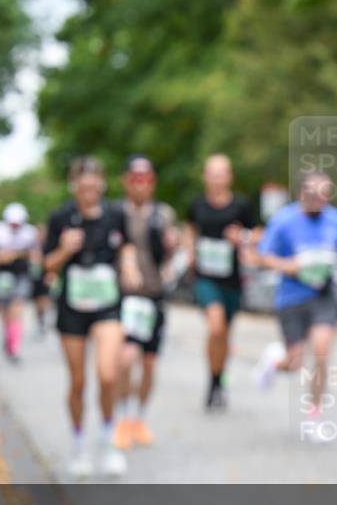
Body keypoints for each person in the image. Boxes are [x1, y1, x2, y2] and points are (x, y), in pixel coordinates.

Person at [44, 156, 142, 478]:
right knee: (78, 381)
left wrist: (128, 265)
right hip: (72, 307)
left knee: (108, 375)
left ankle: (109, 438)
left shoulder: (115, 214)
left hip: (106, 304)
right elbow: (47, 265)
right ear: (74, 186)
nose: (89, 191)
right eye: (83, 186)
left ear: (102, 184)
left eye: (94, 184)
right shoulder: (61, 216)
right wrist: (64, 250)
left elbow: (126, 247)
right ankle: (78, 442)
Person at [254, 171, 337, 442]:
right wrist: (287, 266)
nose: (320, 200)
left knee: (322, 353)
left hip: (323, 296)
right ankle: (273, 361)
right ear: (302, 193)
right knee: (295, 363)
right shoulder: (284, 220)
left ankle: (314, 416)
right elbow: (261, 256)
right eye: (314, 194)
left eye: (326, 194)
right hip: (291, 298)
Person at [185, 153, 260, 411]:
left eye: (221, 173)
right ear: (206, 177)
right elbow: (190, 231)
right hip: (206, 278)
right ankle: (213, 381)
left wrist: (243, 236)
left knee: (224, 335)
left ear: (229, 177)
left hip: (232, 280)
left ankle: (217, 379)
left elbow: (259, 233)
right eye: (212, 173)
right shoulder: (196, 205)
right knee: (215, 327)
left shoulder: (241, 205)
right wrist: (190, 252)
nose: (217, 178)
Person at [115, 155, 177, 448]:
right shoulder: (116, 213)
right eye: (135, 179)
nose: (141, 185)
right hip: (126, 297)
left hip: (154, 297)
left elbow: (173, 255)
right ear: (126, 181)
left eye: (147, 179)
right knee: (126, 358)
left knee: (150, 363)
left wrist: (172, 255)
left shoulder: (163, 214)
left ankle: (139, 418)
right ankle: (123, 417)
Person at [0, 203, 39, 363]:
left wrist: (23, 256)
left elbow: (36, 254)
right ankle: (8, 336)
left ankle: (14, 348)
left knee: (17, 308)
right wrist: (1, 257)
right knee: (5, 311)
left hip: (21, 275)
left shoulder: (30, 233)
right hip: (1, 276)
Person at [30, 224, 54, 339]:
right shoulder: (33, 246)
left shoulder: (48, 246)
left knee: (45, 300)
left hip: (45, 277)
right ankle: (40, 321)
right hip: (35, 278)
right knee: (37, 303)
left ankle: (44, 320)